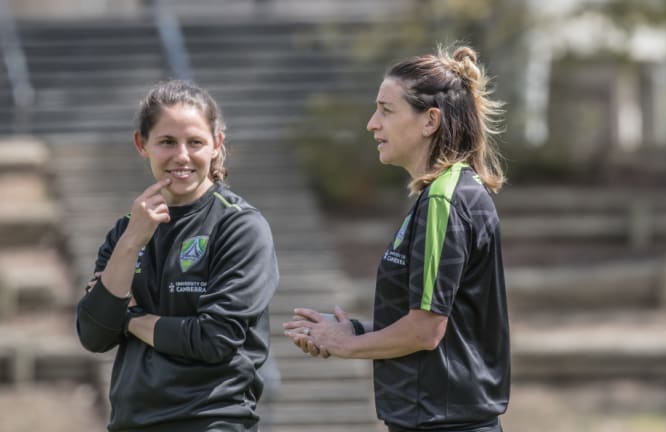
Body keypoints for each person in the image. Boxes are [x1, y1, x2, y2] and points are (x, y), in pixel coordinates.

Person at [283, 44, 511, 432]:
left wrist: (346, 346)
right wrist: (352, 330)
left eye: (386, 110)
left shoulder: (445, 198)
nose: (373, 124)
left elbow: (425, 332)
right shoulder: (440, 194)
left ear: (430, 121)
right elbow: (440, 323)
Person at [76, 80, 279, 432]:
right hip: (130, 423)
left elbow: (213, 338)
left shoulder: (240, 226)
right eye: (167, 142)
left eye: (195, 142)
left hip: (211, 422)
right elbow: (94, 335)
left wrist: (130, 319)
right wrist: (131, 242)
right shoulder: (127, 229)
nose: (182, 156)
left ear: (216, 145)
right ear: (142, 144)